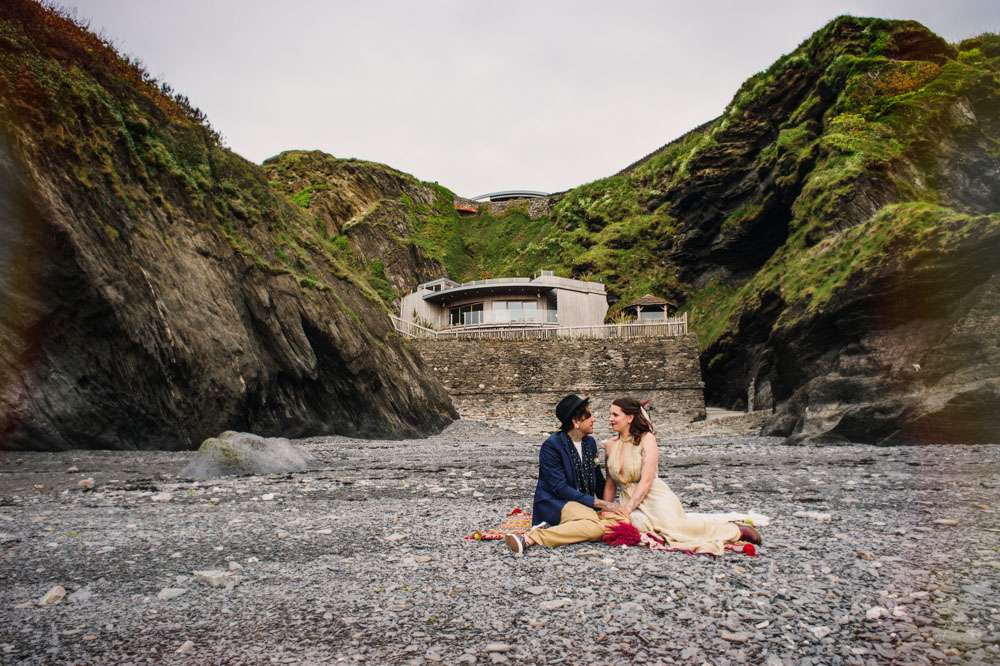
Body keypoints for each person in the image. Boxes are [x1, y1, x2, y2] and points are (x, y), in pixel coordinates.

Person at [603, 397, 762, 556]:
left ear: (630, 418)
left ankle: (734, 531)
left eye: (615, 415)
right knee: (637, 524)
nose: (610, 419)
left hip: (653, 495)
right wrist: (606, 509)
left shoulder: (647, 439)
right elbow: (610, 483)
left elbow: (647, 480)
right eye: (610, 414)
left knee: (673, 528)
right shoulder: (610, 445)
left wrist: (628, 508)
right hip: (627, 497)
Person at [505, 394, 628, 555]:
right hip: (557, 503)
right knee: (595, 527)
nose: (594, 419)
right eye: (588, 415)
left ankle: (566, 528)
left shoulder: (589, 443)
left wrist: (610, 506)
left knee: (624, 520)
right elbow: (560, 488)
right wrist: (601, 504)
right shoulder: (552, 446)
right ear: (576, 422)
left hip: (584, 504)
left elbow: (598, 480)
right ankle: (531, 537)